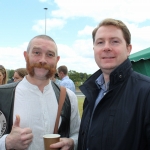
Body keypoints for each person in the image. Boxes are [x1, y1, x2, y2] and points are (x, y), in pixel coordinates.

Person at [77, 18, 150, 150]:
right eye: (100, 42)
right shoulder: (91, 93)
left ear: (128, 49)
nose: (106, 47)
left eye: (115, 41)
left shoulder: (146, 91)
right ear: (94, 49)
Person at [0, 35, 80, 150]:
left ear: (57, 60)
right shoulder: (2, 96)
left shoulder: (68, 97)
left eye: (50, 54)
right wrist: (6, 143)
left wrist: (72, 143)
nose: (43, 60)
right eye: (37, 52)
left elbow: (78, 133)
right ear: (26, 56)